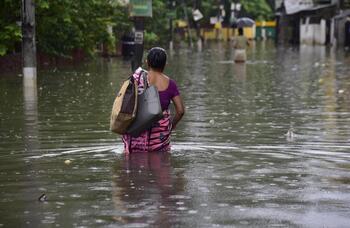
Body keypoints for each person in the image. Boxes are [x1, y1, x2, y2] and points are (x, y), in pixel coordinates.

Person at [122, 47, 185, 153]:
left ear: (147, 62)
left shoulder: (136, 79)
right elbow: (180, 111)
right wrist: (171, 126)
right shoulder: (171, 84)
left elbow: (124, 103)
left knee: (133, 164)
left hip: (136, 137)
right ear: (165, 64)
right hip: (159, 140)